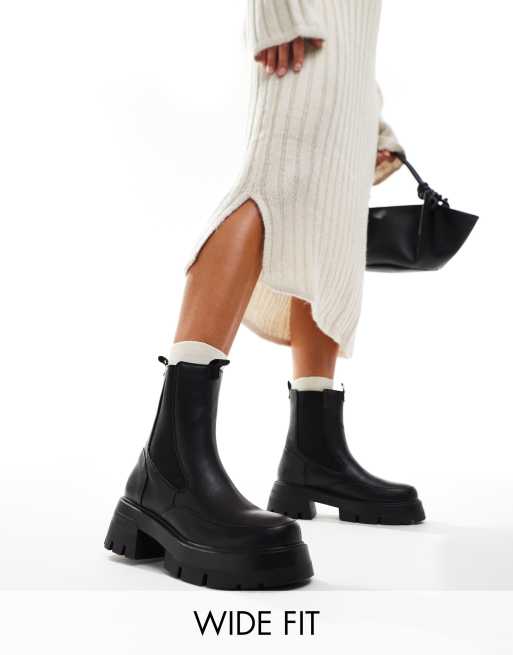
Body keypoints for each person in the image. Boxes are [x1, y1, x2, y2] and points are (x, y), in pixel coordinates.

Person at [105, 0, 424, 590]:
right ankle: (171, 468)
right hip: (306, 19)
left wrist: (371, 110)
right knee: (270, 185)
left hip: (349, 40)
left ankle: (314, 452)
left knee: (330, 226)